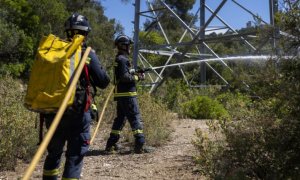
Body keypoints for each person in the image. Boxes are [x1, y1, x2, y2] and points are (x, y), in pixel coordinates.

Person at [42, 13, 110, 180]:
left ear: (67, 32)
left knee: (53, 154)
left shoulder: (55, 52)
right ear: (86, 33)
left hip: (53, 111)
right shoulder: (86, 52)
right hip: (77, 113)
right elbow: (103, 81)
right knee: (74, 156)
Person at [104, 34, 146, 154]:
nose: (129, 48)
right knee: (134, 117)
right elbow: (124, 77)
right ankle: (140, 144)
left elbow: (124, 73)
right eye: (128, 46)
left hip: (121, 95)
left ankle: (111, 144)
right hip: (128, 95)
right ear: (123, 46)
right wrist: (138, 77)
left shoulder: (119, 59)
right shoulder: (122, 60)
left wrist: (135, 71)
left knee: (120, 120)